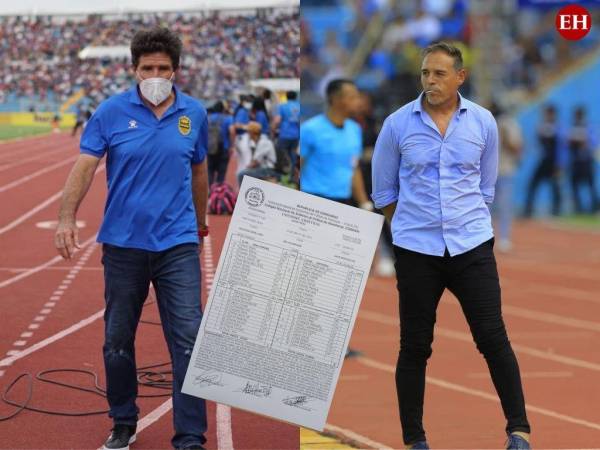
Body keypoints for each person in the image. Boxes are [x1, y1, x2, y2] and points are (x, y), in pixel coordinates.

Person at [54, 27, 209, 450]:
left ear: (176, 71)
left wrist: (200, 223)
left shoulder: (194, 114)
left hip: (177, 244)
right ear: (133, 69)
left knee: (189, 339)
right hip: (123, 245)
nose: (155, 74)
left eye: (162, 68)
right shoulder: (109, 111)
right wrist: (66, 218)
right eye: (147, 68)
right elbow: (85, 165)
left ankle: (191, 435)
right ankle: (123, 421)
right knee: (117, 339)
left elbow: (198, 170)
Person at [371, 42, 531, 449]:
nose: (430, 81)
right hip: (416, 251)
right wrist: (413, 228)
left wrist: (461, 222)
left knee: (493, 337)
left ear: (460, 77)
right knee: (415, 346)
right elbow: (383, 192)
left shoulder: (483, 122)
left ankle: (519, 431)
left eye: (439, 74)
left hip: (471, 246)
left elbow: (487, 188)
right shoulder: (396, 124)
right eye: (426, 73)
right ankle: (415, 440)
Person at [300, 79, 372, 209]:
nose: (359, 102)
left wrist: (363, 202)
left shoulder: (354, 129)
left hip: (343, 202)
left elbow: (354, 167)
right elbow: (298, 165)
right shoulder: (310, 129)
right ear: (335, 99)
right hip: (313, 200)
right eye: (353, 97)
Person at [490, 101, 523, 252]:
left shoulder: (508, 124)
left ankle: (503, 238)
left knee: (503, 206)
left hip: (504, 169)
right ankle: (486, 238)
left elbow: (516, 146)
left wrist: (504, 138)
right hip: (492, 170)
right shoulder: (487, 122)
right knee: (486, 206)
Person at [523, 104, 562, 217]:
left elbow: (560, 147)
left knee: (555, 187)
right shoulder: (544, 126)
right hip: (544, 161)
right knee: (533, 184)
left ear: (552, 114)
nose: (546, 115)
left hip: (553, 162)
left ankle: (556, 210)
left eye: (548, 113)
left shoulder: (557, 127)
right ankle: (528, 209)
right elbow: (539, 137)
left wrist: (559, 164)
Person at [567, 106, 599, 214]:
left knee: (591, 186)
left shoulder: (589, 127)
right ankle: (578, 208)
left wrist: (585, 142)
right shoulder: (572, 127)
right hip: (576, 162)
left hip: (586, 161)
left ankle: (595, 208)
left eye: (579, 114)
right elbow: (567, 143)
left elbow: (594, 143)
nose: (577, 117)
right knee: (574, 186)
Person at [236, 121, 278, 185]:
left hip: (268, 169)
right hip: (263, 168)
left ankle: (241, 194)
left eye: (249, 131)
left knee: (241, 174)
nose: (247, 133)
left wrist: (246, 168)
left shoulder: (263, 142)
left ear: (252, 133)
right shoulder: (259, 141)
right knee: (245, 172)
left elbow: (255, 162)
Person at [273, 91, 300, 178]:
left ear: (286, 97)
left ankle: (284, 175)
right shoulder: (299, 106)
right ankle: (292, 175)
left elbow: (278, 120)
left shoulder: (282, 106)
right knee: (293, 154)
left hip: (285, 134)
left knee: (283, 155)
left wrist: (273, 129)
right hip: (296, 135)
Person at [207, 100, 232, 185]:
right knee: (221, 173)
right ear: (223, 109)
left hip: (210, 148)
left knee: (209, 171)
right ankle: (218, 193)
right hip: (223, 148)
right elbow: (232, 131)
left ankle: (209, 193)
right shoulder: (228, 118)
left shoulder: (208, 118)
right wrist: (231, 146)